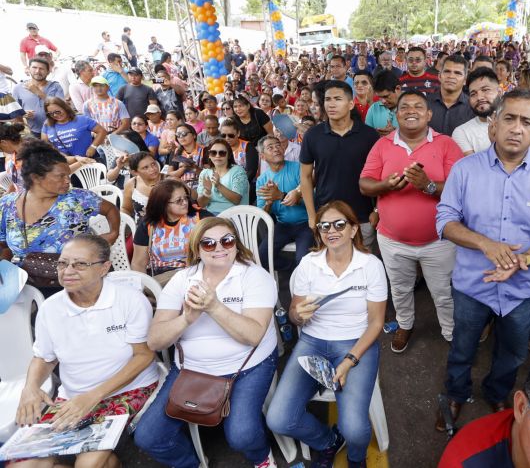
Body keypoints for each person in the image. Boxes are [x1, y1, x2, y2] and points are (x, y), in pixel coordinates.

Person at [435, 90, 530, 430]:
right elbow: (445, 220)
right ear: (494, 124)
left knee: (512, 353)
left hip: (521, 288)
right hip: (472, 284)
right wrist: (485, 244)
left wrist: (525, 257)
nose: (516, 128)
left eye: (527, 122)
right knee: (462, 348)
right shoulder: (465, 170)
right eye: (509, 118)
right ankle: (455, 393)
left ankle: (497, 392)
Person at [135, 217, 279, 468]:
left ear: (236, 243)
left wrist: (213, 307)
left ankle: (261, 458)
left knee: (242, 436)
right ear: (197, 249)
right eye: (209, 243)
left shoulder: (254, 276)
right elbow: (156, 341)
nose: (220, 247)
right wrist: (186, 319)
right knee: (148, 437)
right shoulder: (183, 279)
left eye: (227, 240)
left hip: (247, 367)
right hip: (192, 370)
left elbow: (254, 335)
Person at [14, 234, 159, 468]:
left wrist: (93, 396)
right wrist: (30, 388)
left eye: (80, 264)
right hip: (73, 396)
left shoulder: (129, 300)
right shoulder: (51, 308)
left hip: (127, 389)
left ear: (104, 268)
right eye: (62, 263)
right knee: (27, 464)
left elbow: (144, 355)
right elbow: (44, 357)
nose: (68, 270)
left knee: (88, 464)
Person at [266, 201, 387, 468]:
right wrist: (299, 315)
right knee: (279, 418)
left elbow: (377, 323)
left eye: (339, 224)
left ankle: (356, 460)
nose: (331, 230)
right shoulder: (309, 264)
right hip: (312, 341)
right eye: (324, 226)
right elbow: (294, 312)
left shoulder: (370, 266)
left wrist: (349, 361)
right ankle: (328, 441)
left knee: (354, 429)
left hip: (355, 343)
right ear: (318, 232)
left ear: (354, 229)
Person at [360, 90, 463, 351]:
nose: (411, 110)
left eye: (418, 106)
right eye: (404, 106)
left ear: (429, 114)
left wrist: (428, 186)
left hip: (439, 240)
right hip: (393, 240)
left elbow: (462, 188)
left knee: (443, 292)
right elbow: (364, 183)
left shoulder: (446, 144)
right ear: (396, 115)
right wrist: (385, 185)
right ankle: (405, 324)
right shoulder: (382, 145)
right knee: (400, 288)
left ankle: (451, 331)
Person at [0, 140, 120, 294]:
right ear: (36, 177)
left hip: (79, 281)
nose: (68, 180)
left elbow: (110, 209)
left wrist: (113, 233)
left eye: (68, 175)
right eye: (61, 176)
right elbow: (2, 243)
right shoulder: (7, 205)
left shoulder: (78, 198)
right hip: (28, 286)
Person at [300, 80, 380, 249]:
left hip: (363, 216)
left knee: (363, 266)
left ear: (351, 104)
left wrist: (377, 211)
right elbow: (305, 177)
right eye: (328, 99)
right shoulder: (313, 135)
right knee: (330, 268)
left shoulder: (369, 135)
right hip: (326, 216)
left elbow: (379, 176)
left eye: (337, 99)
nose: (331, 104)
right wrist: (312, 216)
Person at [131, 179, 210, 283]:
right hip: (163, 280)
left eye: (186, 197)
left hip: (197, 276)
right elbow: (138, 263)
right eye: (179, 200)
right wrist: (146, 289)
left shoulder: (201, 218)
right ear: (163, 204)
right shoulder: (149, 224)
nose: (185, 202)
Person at [255, 135, 311, 271]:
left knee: (302, 260)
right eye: (270, 147)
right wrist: (268, 202)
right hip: (283, 225)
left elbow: (312, 201)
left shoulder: (299, 169)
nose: (276, 149)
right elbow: (262, 214)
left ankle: (299, 271)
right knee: (261, 258)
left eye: (278, 145)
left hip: (306, 224)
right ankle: (293, 269)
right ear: (263, 156)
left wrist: (280, 195)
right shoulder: (262, 179)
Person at [12, 57, 64, 138]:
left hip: (57, 129)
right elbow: (14, 113)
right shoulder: (18, 88)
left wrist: (38, 92)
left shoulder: (55, 86)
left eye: (41, 69)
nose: (37, 71)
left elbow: (63, 108)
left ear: (48, 72)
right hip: (33, 132)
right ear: (28, 69)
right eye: (34, 67)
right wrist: (23, 114)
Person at [41, 96, 108, 159]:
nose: (55, 115)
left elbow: (102, 131)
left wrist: (93, 147)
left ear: (65, 107)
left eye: (57, 111)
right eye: (50, 113)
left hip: (89, 160)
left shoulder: (82, 119)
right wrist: (58, 154)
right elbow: (45, 144)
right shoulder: (47, 124)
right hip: (66, 164)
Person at [197, 138, 249, 215]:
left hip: (234, 215)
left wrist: (218, 185)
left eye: (222, 153)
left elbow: (236, 199)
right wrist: (207, 192)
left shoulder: (238, 171)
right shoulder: (205, 173)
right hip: (211, 215)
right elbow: (201, 204)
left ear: (229, 155)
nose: (217, 156)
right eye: (213, 153)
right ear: (209, 156)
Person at [427, 55, 471, 137]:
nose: (451, 76)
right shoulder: (425, 104)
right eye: (447, 71)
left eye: (458, 73)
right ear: (439, 76)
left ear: (465, 80)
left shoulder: (472, 107)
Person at [121, 152, 160, 223]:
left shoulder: (170, 181)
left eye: (153, 164)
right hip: (141, 229)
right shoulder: (132, 184)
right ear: (135, 172)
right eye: (145, 167)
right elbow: (126, 209)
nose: (152, 169)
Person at [167, 124, 204, 192]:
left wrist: (193, 167)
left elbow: (209, 175)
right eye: (178, 135)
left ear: (194, 135)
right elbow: (169, 174)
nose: (181, 137)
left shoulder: (204, 150)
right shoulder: (176, 152)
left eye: (184, 133)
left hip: (202, 187)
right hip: (182, 188)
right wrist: (183, 168)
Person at [365, 70, 400, 136]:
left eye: (386, 96)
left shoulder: (410, 108)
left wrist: (397, 134)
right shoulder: (373, 109)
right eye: (380, 97)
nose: (383, 101)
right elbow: (367, 136)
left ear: (398, 89)